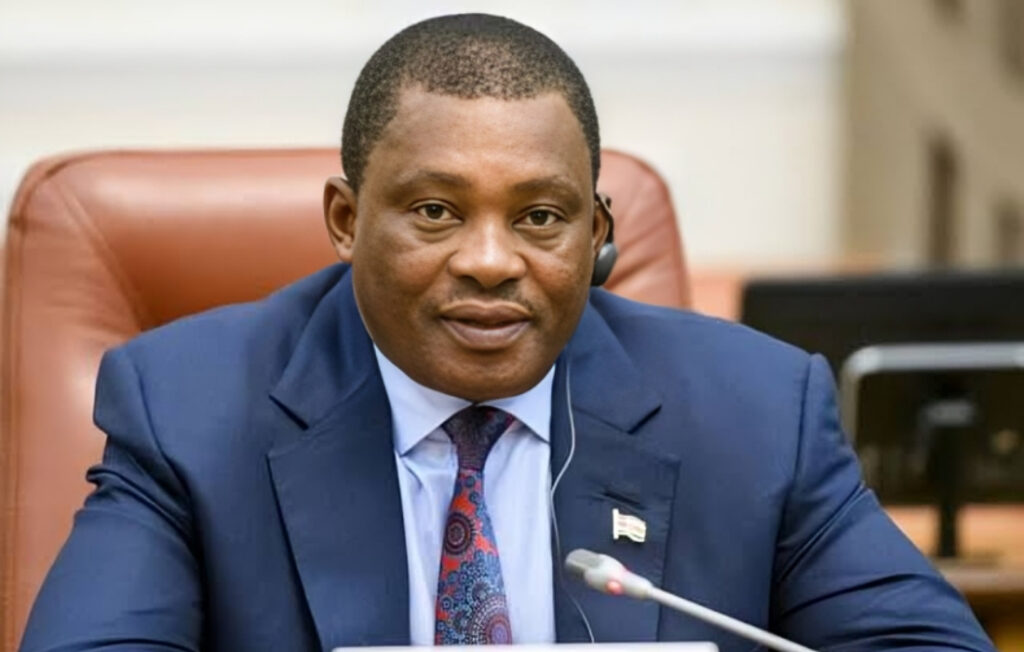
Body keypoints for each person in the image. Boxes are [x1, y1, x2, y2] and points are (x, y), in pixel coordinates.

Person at [20, 13, 994, 652]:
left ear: (596, 234)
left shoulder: (755, 413)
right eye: (436, 212)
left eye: (539, 217)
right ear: (346, 221)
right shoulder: (187, 412)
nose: (490, 260)